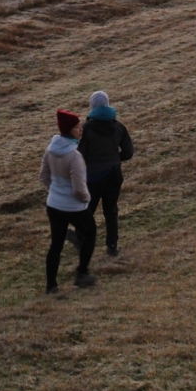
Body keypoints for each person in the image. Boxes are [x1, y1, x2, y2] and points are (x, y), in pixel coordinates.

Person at [39, 108, 97, 294]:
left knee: (56, 244)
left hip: (53, 205)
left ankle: (51, 286)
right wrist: (86, 199)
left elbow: (44, 177)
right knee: (90, 233)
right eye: (77, 127)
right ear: (69, 130)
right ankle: (82, 273)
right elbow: (79, 189)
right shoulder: (75, 156)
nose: (81, 129)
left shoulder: (50, 149)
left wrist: (56, 191)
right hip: (73, 207)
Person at [75, 89, 133, 256]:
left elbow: (80, 155)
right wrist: (114, 159)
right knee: (111, 210)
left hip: (93, 176)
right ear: (107, 104)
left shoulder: (85, 129)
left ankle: (81, 239)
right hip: (114, 173)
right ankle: (112, 246)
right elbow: (128, 152)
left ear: (92, 106)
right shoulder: (119, 127)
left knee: (87, 209)